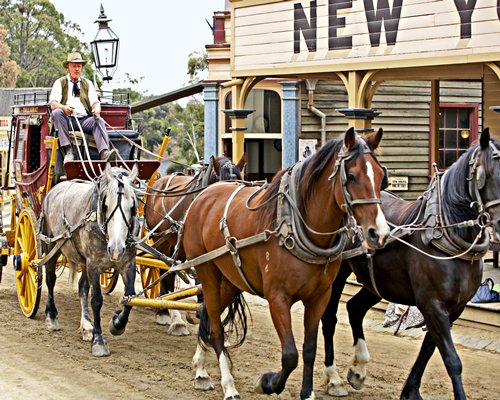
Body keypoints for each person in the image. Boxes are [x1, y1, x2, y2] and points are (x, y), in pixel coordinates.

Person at [49, 52, 110, 163]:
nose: (77, 69)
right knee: (57, 113)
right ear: (68, 67)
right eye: (74, 66)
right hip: (67, 120)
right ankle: (68, 150)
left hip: (84, 120)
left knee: (99, 121)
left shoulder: (88, 84)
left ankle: (104, 153)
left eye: (79, 66)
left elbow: (96, 102)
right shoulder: (60, 82)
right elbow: (53, 104)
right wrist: (64, 107)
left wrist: (96, 110)